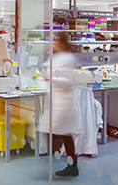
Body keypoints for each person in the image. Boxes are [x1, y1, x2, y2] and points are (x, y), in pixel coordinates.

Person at [40, 33, 81, 176]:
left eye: (55, 41)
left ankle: (72, 165)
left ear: (63, 42)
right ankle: (70, 164)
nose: (53, 43)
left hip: (64, 102)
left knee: (64, 132)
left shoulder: (69, 58)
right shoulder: (56, 57)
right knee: (57, 131)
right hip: (54, 100)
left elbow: (70, 81)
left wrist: (50, 77)